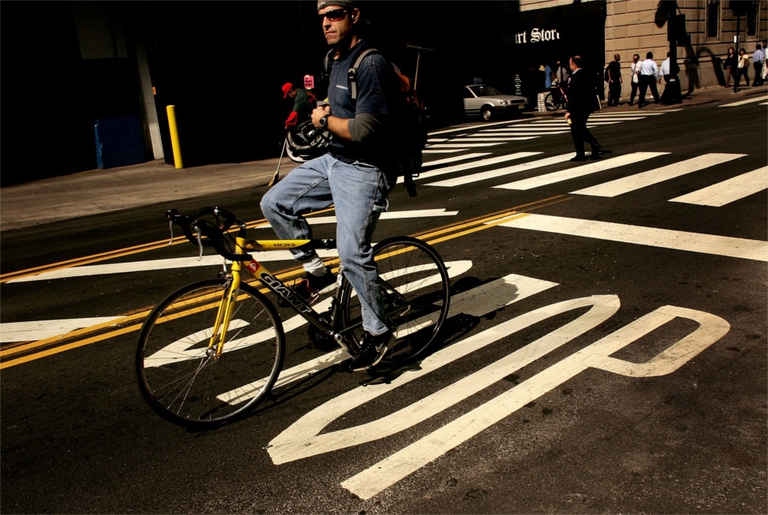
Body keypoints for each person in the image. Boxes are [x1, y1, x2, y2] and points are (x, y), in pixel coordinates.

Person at [261, 0, 402, 371]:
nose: (325, 23)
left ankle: (378, 332)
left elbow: (364, 128)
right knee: (274, 203)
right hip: (335, 160)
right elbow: (336, 104)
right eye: (321, 17)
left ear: (354, 15)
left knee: (352, 251)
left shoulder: (369, 63)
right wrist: (312, 107)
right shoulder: (333, 59)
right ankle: (315, 271)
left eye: (334, 14)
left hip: (367, 167)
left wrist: (324, 123)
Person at [564, 55, 602, 162]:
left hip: (577, 107)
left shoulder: (575, 77)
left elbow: (574, 96)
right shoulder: (587, 73)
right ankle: (594, 144)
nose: (569, 66)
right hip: (587, 106)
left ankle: (582, 152)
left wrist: (568, 111)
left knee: (576, 129)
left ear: (574, 65)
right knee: (580, 128)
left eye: (570, 64)